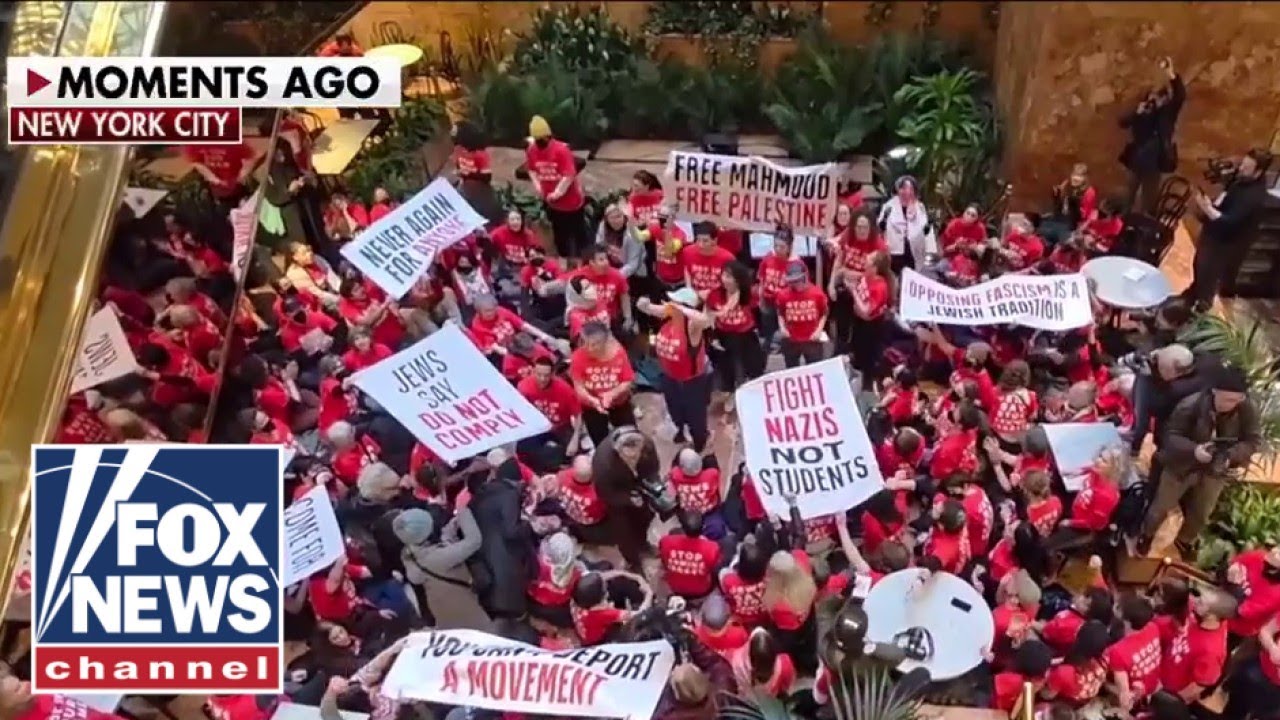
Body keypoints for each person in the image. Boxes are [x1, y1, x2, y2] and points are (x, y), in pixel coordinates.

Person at [1141, 365, 1259, 556]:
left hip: (1216, 468)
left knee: (1201, 513)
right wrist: (1194, 450)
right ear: (1215, 391)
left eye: (1236, 400)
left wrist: (1231, 455)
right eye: (1226, 399)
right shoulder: (1191, 405)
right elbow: (1170, 436)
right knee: (1160, 507)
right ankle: (1146, 536)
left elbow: (1252, 440)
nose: (1230, 404)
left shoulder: (1246, 410)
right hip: (1182, 466)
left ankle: (1185, 541)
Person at [1185, 148, 1273, 309]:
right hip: (1214, 233)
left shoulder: (1253, 196)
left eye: (1246, 168)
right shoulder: (1241, 180)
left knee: (1208, 277)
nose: (1241, 169)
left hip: (1226, 242)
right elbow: (1225, 196)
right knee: (1200, 269)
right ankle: (1189, 298)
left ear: (1258, 172)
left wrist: (1206, 208)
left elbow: (1229, 221)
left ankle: (1200, 314)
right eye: (1243, 165)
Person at [393, 507, 492, 632]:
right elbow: (473, 541)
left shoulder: (408, 555)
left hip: (442, 614)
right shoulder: (438, 558)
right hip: (466, 613)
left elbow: (436, 551)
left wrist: (449, 531)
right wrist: (462, 511)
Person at [637, 288, 713, 451]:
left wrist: (683, 309)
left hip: (691, 381)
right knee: (675, 409)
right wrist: (645, 304)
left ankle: (700, 441)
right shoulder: (668, 317)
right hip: (669, 377)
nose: (670, 305)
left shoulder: (692, 326)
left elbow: (706, 321)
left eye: (675, 302)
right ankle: (680, 430)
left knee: (695, 415)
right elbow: (644, 307)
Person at [1119, 57, 1185, 214]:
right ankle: (1123, 221)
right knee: (1128, 195)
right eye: (1152, 98)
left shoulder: (1167, 113)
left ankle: (1142, 225)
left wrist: (1171, 74)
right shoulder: (1142, 112)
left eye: (1158, 98)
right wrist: (1137, 113)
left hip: (1156, 161)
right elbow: (1122, 123)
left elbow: (1179, 96)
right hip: (1137, 159)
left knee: (1148, 199)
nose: (1154, 102)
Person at [592, 427, 661, 571]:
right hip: (618, 496)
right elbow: (605, 493)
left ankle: (643, 544)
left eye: (637, 454)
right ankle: (634, 563)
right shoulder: (603, 463)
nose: (634, 459)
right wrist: (628, 499)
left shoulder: (647, 445)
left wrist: (653, 485)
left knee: (647, 515)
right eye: (629, 457)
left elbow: (653, 468)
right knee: (624, 532)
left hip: (640, 486)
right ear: (618, 452)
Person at [525, 115, 587, 259]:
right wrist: (538, 186)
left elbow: (569, 175)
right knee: (559, 232)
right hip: (551, 203)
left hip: (572, 202)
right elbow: (532, 170)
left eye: (542, 139)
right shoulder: (531, 151)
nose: (540, 143)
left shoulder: (561, 150)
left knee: (578, 232)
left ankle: (583, 257)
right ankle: (564, 257)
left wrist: (558, 192)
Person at [1161, 586, 1235, 704]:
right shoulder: (1202, 617)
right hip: (1165, 670)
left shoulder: (1211, 652)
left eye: (1201, 602)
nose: (1195, 601)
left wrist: (1172, 702)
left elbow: (1199, 686)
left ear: (1212, 616)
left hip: (1171, 690)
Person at [569, 321, 636, 444]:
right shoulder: (578, 357)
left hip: (619, 403)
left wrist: (611, 394)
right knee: (600, 441)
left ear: (605, 342)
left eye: (595, 344)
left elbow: (627, 381)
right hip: (592, 406)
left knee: (630, 435)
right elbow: (578, 387)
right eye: (585, 343)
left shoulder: (618, 353)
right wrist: (592, 400)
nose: (589, 348)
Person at [706, 261, 765, 395]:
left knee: (751, 369)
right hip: (724, 337)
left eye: (729, 277)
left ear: (738, 280)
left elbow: (757, 314)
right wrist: (713, 337)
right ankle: (732, 393)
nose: (725, 279)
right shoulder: (715, 294)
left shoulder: (749, 295)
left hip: (746, 337)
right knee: (728, 370)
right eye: (724, 275)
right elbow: (710, 317)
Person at [658, 508, 722, 601]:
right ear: (703, 528)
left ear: (683, 528)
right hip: (701, 591)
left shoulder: (666, 541)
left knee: (673, 532)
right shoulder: (712, 547)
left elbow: (663, 560)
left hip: (675, 588)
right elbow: (714, 567)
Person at [775, 259, 828, 368]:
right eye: (792, 281)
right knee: (791, 367)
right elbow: (780, 312)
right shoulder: (783, 295)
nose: (795, 284)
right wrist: (782, 328)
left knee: (815, 368)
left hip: (812, 338)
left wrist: (818, 330)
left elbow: (824, 313)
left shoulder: (817, 294)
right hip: (791, 338)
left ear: (805, 277)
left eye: (798, 280)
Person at [878, 176, 935, 271]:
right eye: (903, 188)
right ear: (898, 189)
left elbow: (925, 232)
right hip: (894, 251)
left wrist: (929, 223)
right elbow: (880, 227)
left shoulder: (919, 207)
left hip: (913, 251)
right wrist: (884, 219)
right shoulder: (889, 206)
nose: (907, 192)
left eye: (911, 189)